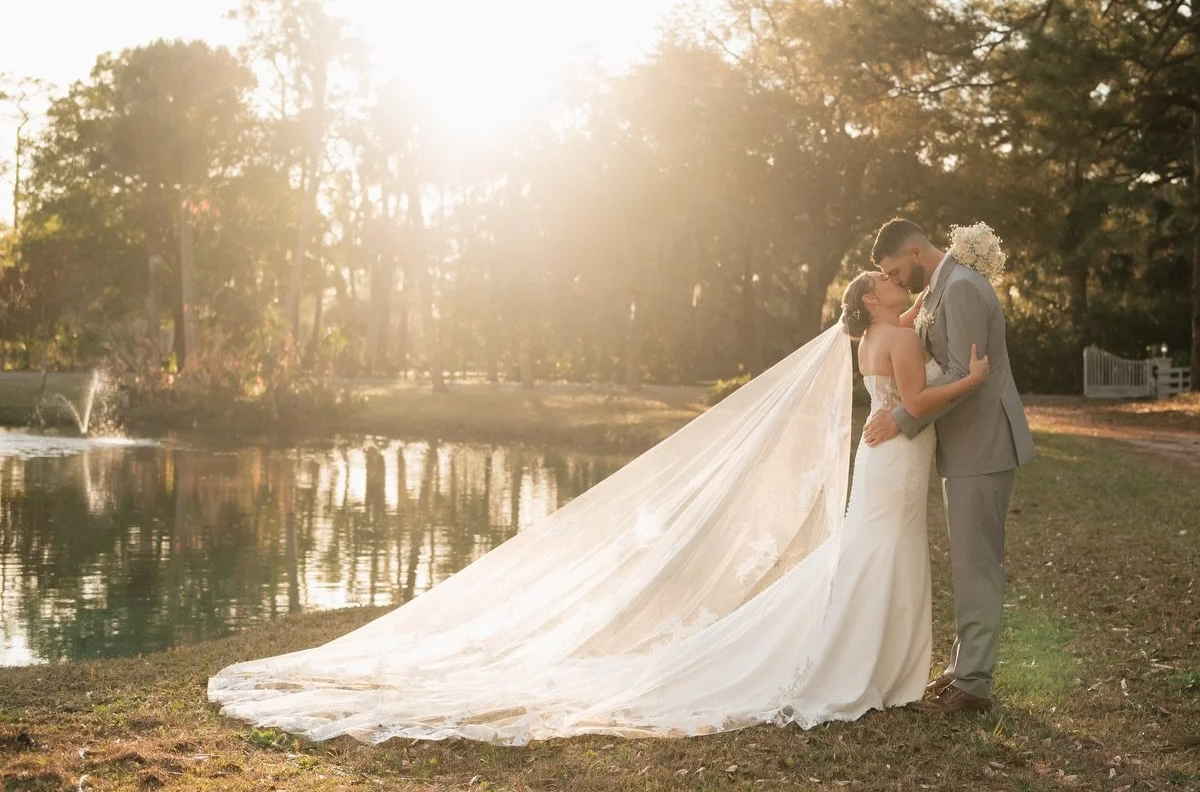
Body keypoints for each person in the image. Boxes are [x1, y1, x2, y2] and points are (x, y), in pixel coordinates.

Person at [209, 228, 1007, 745]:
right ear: (874, 297)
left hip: (886, 465)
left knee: (874, 555)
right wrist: (968, 380)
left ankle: (887, 668)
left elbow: (896, 403)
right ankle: (864, 669)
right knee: (875, 557)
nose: (901, 286)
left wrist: (929, 389)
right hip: (894, 460)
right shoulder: (898, 332)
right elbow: (915, 403)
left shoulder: (876, 333)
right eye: (889, 282)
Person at [864, 218, 1036, 714]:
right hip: (966, 448)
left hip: (983, 446)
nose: (893, 280)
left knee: (976, 563)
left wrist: (901, 418)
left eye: (893, 269)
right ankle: (965, 668)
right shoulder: (943, 286)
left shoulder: (960, 288)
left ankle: (974, 685)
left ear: (915, 251)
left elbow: (966, 375)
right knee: (967, 560)